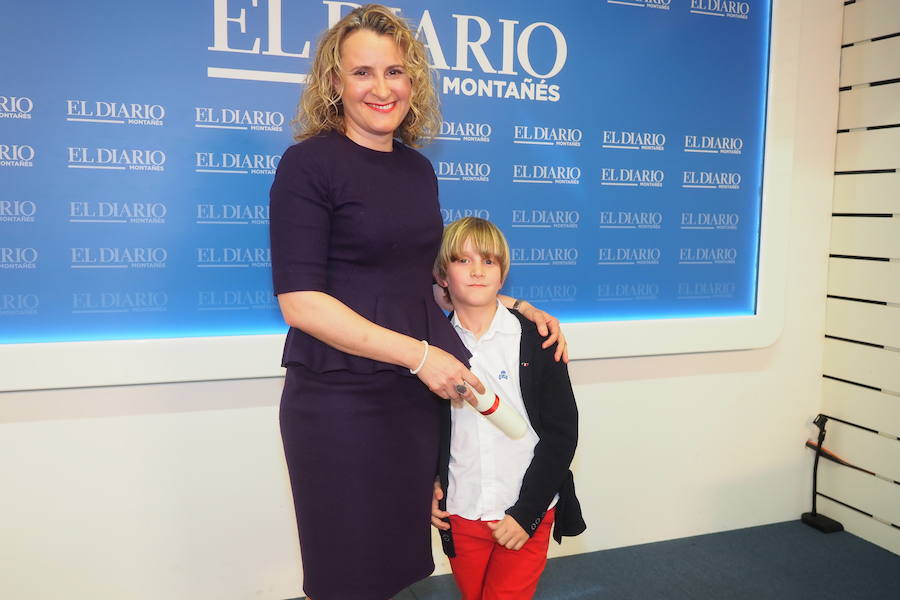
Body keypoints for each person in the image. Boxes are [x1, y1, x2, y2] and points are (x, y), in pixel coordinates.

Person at [268, 5, 568, 600]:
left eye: (396, 72)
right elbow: (301, 302)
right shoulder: (307, 165)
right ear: (334, 82)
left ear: (414, 82)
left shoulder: (417, 170)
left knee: (394, 565)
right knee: (345, 569)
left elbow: (414, 277)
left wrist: (508, 303)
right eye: (362, 73)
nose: (382, 88)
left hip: (410, 401)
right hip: (341, 400)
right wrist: (421, 357)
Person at [430, 217, 586, 600]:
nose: (478, 271)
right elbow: (418, 429)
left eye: (488, 261)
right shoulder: (429, 347)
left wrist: (527, 512)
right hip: (461, 512)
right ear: (443, 277)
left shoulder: (537, 338)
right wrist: (426, 486)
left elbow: (562, 433)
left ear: (503, 275)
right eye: (463, 261)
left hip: (524, 509)